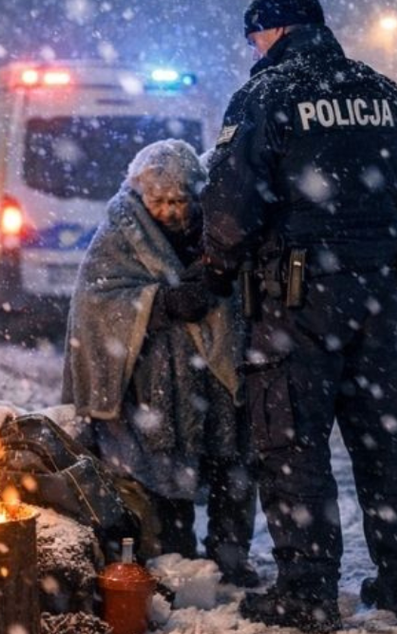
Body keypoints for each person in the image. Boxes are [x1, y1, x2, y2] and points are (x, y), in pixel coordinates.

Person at [200, 0, 397, 630]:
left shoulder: (266, 95)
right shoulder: (383, 93)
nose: (253, 50)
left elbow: (229, 210)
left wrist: (215, 272)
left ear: (275, 30)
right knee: (386, 445)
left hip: (297, 300)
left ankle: (307, 591)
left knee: (291, 445)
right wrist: (362, 237)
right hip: (380, 297)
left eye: (255, 38)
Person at [61, 139, 259, 587]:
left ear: (197, 195)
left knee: (230, 461)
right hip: (157, 381)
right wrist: (162, 303)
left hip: (217, 373)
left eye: (179, 201)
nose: (169, 211)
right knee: (163, 469)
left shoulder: (217, 225)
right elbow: (97, 302)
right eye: (159, 201)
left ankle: (230, 558)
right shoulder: (120, 230)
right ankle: (175, 558)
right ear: (139, 192)